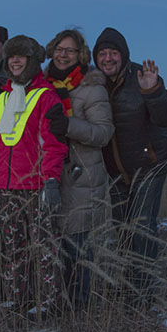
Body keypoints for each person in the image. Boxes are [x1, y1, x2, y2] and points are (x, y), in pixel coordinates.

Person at [0, 35, 68, 319]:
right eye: (11, 57)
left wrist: (51, 181)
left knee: (43, 248)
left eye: (21, 57)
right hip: (5, 186)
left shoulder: (46, 96)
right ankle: (16, 298)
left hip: (36, 186)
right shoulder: (3, 98)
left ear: (32, 61)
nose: (15, 62)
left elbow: (53, 144)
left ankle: (47, 302)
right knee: (12, 247)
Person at [93, 27, 167, 304]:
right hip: (117, 170)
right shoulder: (95, 83)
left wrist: (152, 91)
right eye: (102, 54)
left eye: (113, 53)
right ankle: (128, 283)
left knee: (142, 228)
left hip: (149, 165)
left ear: (124, 55)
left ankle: (143, 292)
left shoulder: (144, 76)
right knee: (123, 229)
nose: (107, 58)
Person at [43, 29, 114, 306]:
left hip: (82, 175)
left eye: (70, 51)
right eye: (59, 49)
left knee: (77, 246)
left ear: (80, 55)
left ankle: (79, 303)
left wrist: (69, 126)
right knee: (52, 243)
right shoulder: (42, 85)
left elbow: (103, 133)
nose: (63, 55)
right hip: (49, 174)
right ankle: (55, 298)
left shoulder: (92, 87)